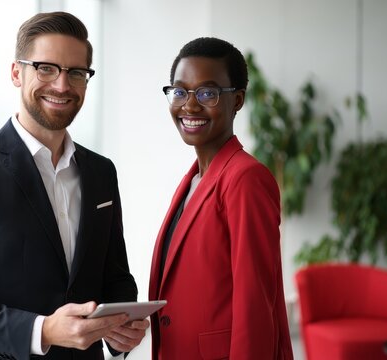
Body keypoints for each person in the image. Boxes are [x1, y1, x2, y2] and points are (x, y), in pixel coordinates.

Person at [0, 12, 148, 360]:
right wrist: (42, 330)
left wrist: (123, 322)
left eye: (76, 72)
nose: (62, 85)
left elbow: (114, 276)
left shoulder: (101, 172)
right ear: (17, 73)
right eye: (46, 68)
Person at [148, 37, 294, 359]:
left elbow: (255, 302)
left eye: (207, 93)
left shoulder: (245, 179)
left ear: (237, 100)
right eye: (180, 91)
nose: (189, 105)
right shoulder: (192, 181)